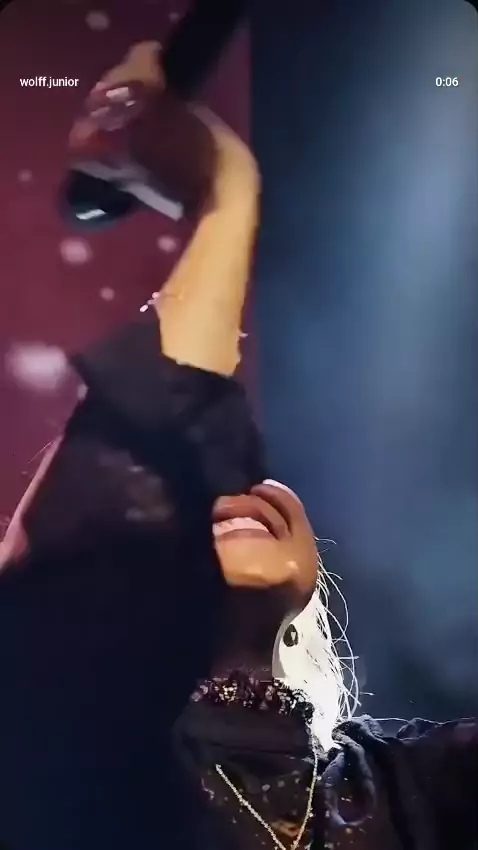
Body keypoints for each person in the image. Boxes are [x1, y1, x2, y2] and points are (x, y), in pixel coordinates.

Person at [0, 43, 476, 850]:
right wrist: (223, 191)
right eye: (189, 491)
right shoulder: (61, 750)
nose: (233, 489)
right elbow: (133, 443)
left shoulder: (417, 783)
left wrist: (224, 190)